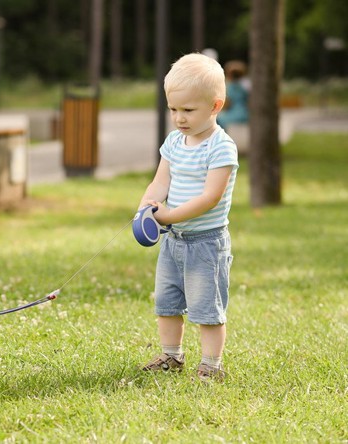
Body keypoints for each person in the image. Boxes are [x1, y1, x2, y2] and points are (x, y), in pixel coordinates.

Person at [137, 53, 238, 382]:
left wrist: (170, 215)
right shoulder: (174, 142)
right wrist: (148, 207)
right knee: (166, 303)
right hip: (173, 241)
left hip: (206, 244)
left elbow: (211, 197)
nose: (179, 118)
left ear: (215, 106)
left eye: (188, 110)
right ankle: (171, 355)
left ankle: (211, 364)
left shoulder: (221, 147)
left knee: (207, 309)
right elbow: (160, 181)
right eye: (173, 109)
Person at [217, 60, 249, 129]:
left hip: (235, 113)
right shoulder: (246, 85)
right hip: (245, 112)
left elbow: (227, 104)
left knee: (219, 119)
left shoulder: (229, 87)